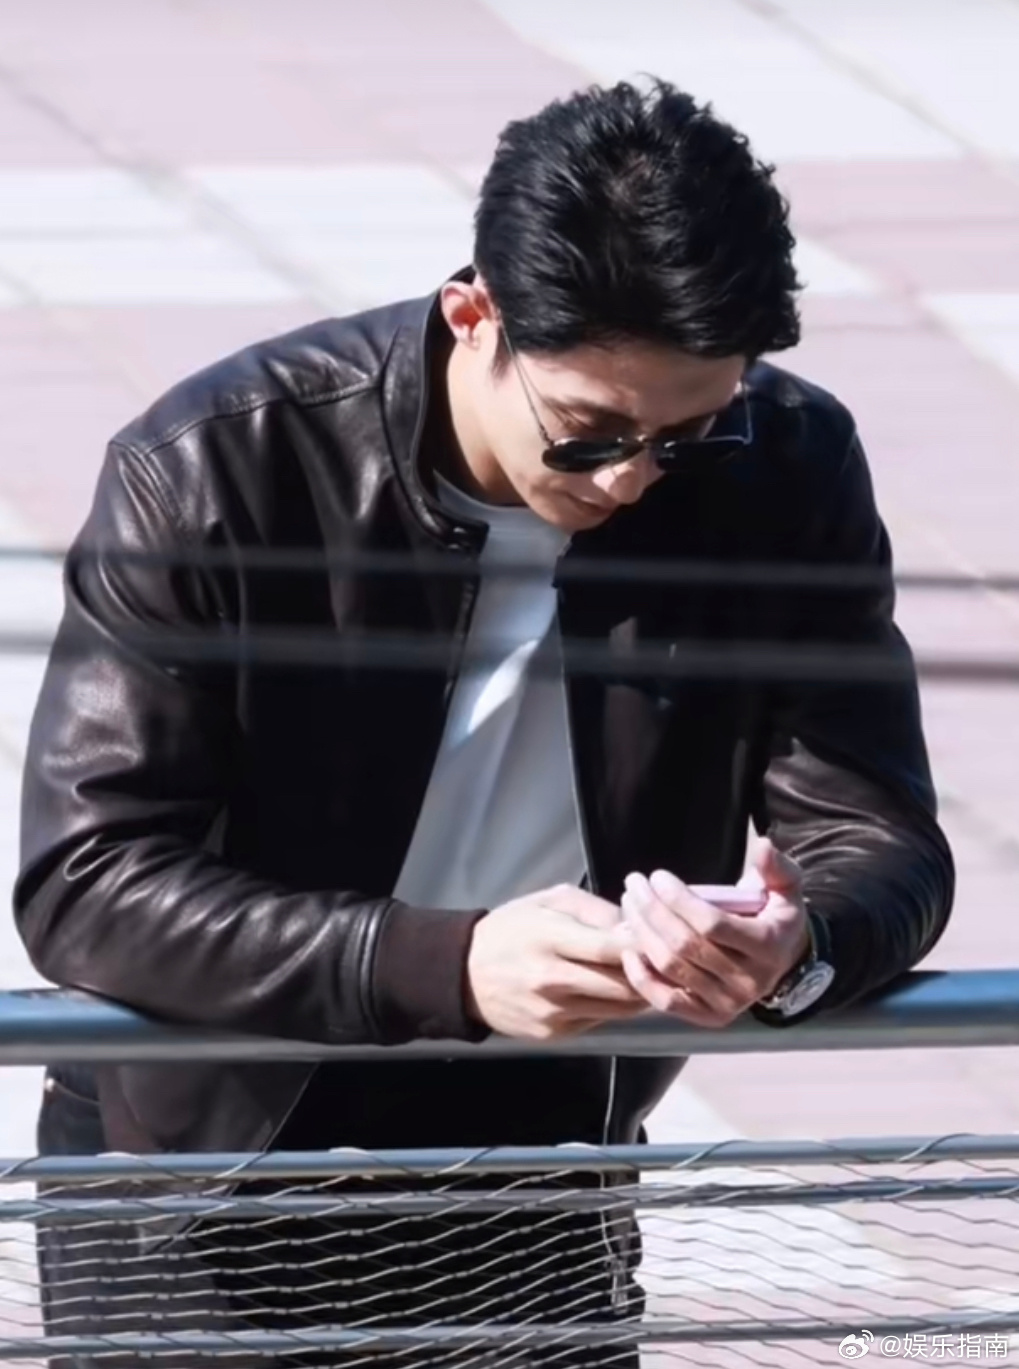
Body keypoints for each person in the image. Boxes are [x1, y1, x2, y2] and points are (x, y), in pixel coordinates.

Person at [17, 78, 953, 1368]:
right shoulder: (219, 466)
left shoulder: (782, 465)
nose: (632, 478)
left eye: (687, 435)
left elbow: (877, 834)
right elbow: (87, 882)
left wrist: (794, 947)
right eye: (588, 434)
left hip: (544, 1151)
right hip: (204, 1166)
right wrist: (446, 967)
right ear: (476, 315)